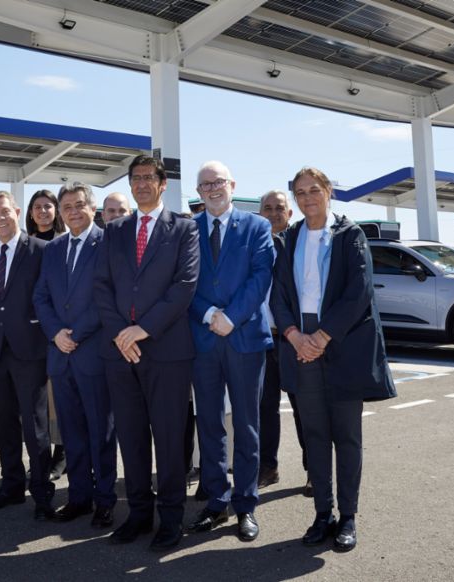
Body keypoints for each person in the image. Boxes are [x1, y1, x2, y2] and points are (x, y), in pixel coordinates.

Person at [270, 167, 397, 552]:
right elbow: (279, 294)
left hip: (341, 341)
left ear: (328, 192)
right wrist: (295, 336)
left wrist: (322, 337)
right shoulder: (290, 238)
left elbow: (358, 291)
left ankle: (348, 516)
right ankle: (322, 514)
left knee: (346, 436)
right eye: (300, 192)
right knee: (315, 434)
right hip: (300, 343)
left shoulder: (349, 235)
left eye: (314, 190)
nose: (307, 198)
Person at [93, 155, 200, 551]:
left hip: (167, 351)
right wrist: (122, 333)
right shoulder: (114, 230)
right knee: (132, 437)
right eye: (135, 178)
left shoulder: (184, 229)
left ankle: (171, 519)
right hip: (121, 352)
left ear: (162, 183)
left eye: (147, 178)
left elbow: (184, 286)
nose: (141, 184)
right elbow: (101, 286)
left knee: (170, 440)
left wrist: (143, 329)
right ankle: (138, 514)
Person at [186, 162, 274, 542]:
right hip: (203, 339)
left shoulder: (257, 227)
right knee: (208, 422)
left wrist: (231, 317)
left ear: (232, 185)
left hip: (244, 338)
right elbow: (182, 281)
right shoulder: (188, 231)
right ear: (198, 192)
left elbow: (261, 277)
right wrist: (208, 315)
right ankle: (216, 500)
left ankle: (246, 504)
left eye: (218, 182)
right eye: (205, 185)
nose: (212, 189)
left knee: (247, 424)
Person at [33, 182, 117, 527]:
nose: (73, 211)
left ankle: (105, 500)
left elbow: (108, 297)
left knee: (101, 432)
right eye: (66, 206)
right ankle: (79, 496)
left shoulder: (108, 243)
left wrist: (75, 334)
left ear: (92, 208)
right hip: (60, 355)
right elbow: (41, 297)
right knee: (72, 433)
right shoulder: (54, 248)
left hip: (93, 352)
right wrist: (56, 333)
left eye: (79, 205)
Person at [0, 191, 54, 520]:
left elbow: (49, 298)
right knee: (3, 424)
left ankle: (42, 491)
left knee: (35, 426)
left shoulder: (41, 250)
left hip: (30, 349)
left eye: (5, 211)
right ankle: (11, 486)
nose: (0, 218)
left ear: (17, 212)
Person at [257, 190, 310, 495]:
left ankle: (314, 470)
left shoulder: (299, 246)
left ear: (290, 214)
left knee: (304, 408)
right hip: (263, 340)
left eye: (280, 208)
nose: (274, 213)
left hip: (293, 339)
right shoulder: (253, 246)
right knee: (265, 409)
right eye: (268, 208)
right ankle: (268, 468)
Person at [24, 188, 67, 477]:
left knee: (58, 397)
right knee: (34, 401)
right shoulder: (23, 244)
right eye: (37, 207)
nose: (42, 211)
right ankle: (39, 456)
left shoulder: (64, 242)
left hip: (57, 328)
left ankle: (61, 454)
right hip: (29, 331)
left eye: (48, 206)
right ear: (30, 212)